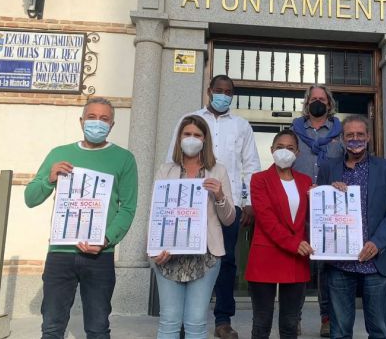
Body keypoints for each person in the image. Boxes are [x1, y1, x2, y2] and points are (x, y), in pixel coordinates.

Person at [24, 97, 138, 339]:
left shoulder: (124, 159)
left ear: (112, 125)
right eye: (92, 117)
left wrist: (106, 239)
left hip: (100, 255)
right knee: (52, 328)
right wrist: (49, 179)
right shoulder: (59, 153)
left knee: (98, 329)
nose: (97, 123)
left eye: (104, 119)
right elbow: (30, 198)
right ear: (81, 121)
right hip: (59, 253)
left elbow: (127, 208)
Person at [166, 75, 261, 339]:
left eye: (228, 92)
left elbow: (250, 166)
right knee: (185, 255)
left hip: (226, 204)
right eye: (218, 90)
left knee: (227, 262)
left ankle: (223, 320)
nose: (223, 95)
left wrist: (248, 203)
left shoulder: (242, 126)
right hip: (190, 205)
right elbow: (171, 161)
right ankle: (185, 319)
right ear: (209, 91)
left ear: (233, 95)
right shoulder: (190, 121)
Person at [317, 114, 386, 339]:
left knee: (378, 331)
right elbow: (318, 208)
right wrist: (327, 193)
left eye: (360, 135)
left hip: (374, 262)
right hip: (340, 264)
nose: (355, 139)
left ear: (369, 137)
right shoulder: (328, 168)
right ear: (342, 139)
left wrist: (378, 242)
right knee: (339, 331)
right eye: (350, 135)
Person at [151, 115, 236, 339]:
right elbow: (156, 213)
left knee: (197, 322)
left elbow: (228, 219)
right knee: (169, 321)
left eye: (197, 135)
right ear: (179, 138)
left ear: (205, 140)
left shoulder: (218, 171)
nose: (192, 139)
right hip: (169, 255)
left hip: (205, 256)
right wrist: (154, 248)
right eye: (187, 134)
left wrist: (219, 195)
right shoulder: (165, 171)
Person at [246, 129, 313, 339]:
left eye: (290, 148)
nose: (285, 151)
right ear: (271, 150)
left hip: (295, 260)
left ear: (298, 153)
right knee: (261, 323)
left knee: (290, 324)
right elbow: (266, 220)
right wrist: (294, 243)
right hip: (266, 256)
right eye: (280, 147)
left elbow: (314, 216)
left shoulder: (305, 181)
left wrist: (327, 195)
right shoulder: (259, 180)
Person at [290, 84, 343, 337]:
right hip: (297, 206)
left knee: (325, 266)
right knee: (298, 263)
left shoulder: (341, 134)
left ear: (329, 104)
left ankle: (327, 318)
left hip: (329, 208)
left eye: (322, 99)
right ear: (307, 103)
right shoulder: (294, 132)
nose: (318, 102)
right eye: (314, 99)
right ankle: (294, 317)